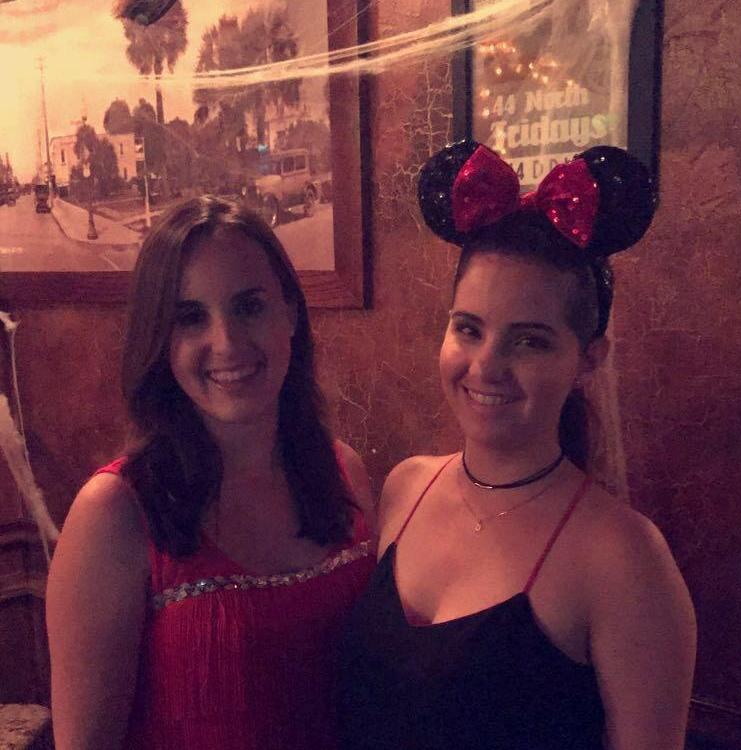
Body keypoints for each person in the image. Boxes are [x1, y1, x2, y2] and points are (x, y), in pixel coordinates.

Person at [337, 142, 696, 750]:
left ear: (588, 360)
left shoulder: (625, 559)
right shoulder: (404, 487)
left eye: (529, 341)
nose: (486, 366)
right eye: (468, 328)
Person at [47, 196, 376, 750]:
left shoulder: (345, 472)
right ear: (159, 340)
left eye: (249, 307)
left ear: (291, 313)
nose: (226, 343)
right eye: (190, 317)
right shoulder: (112, 514)